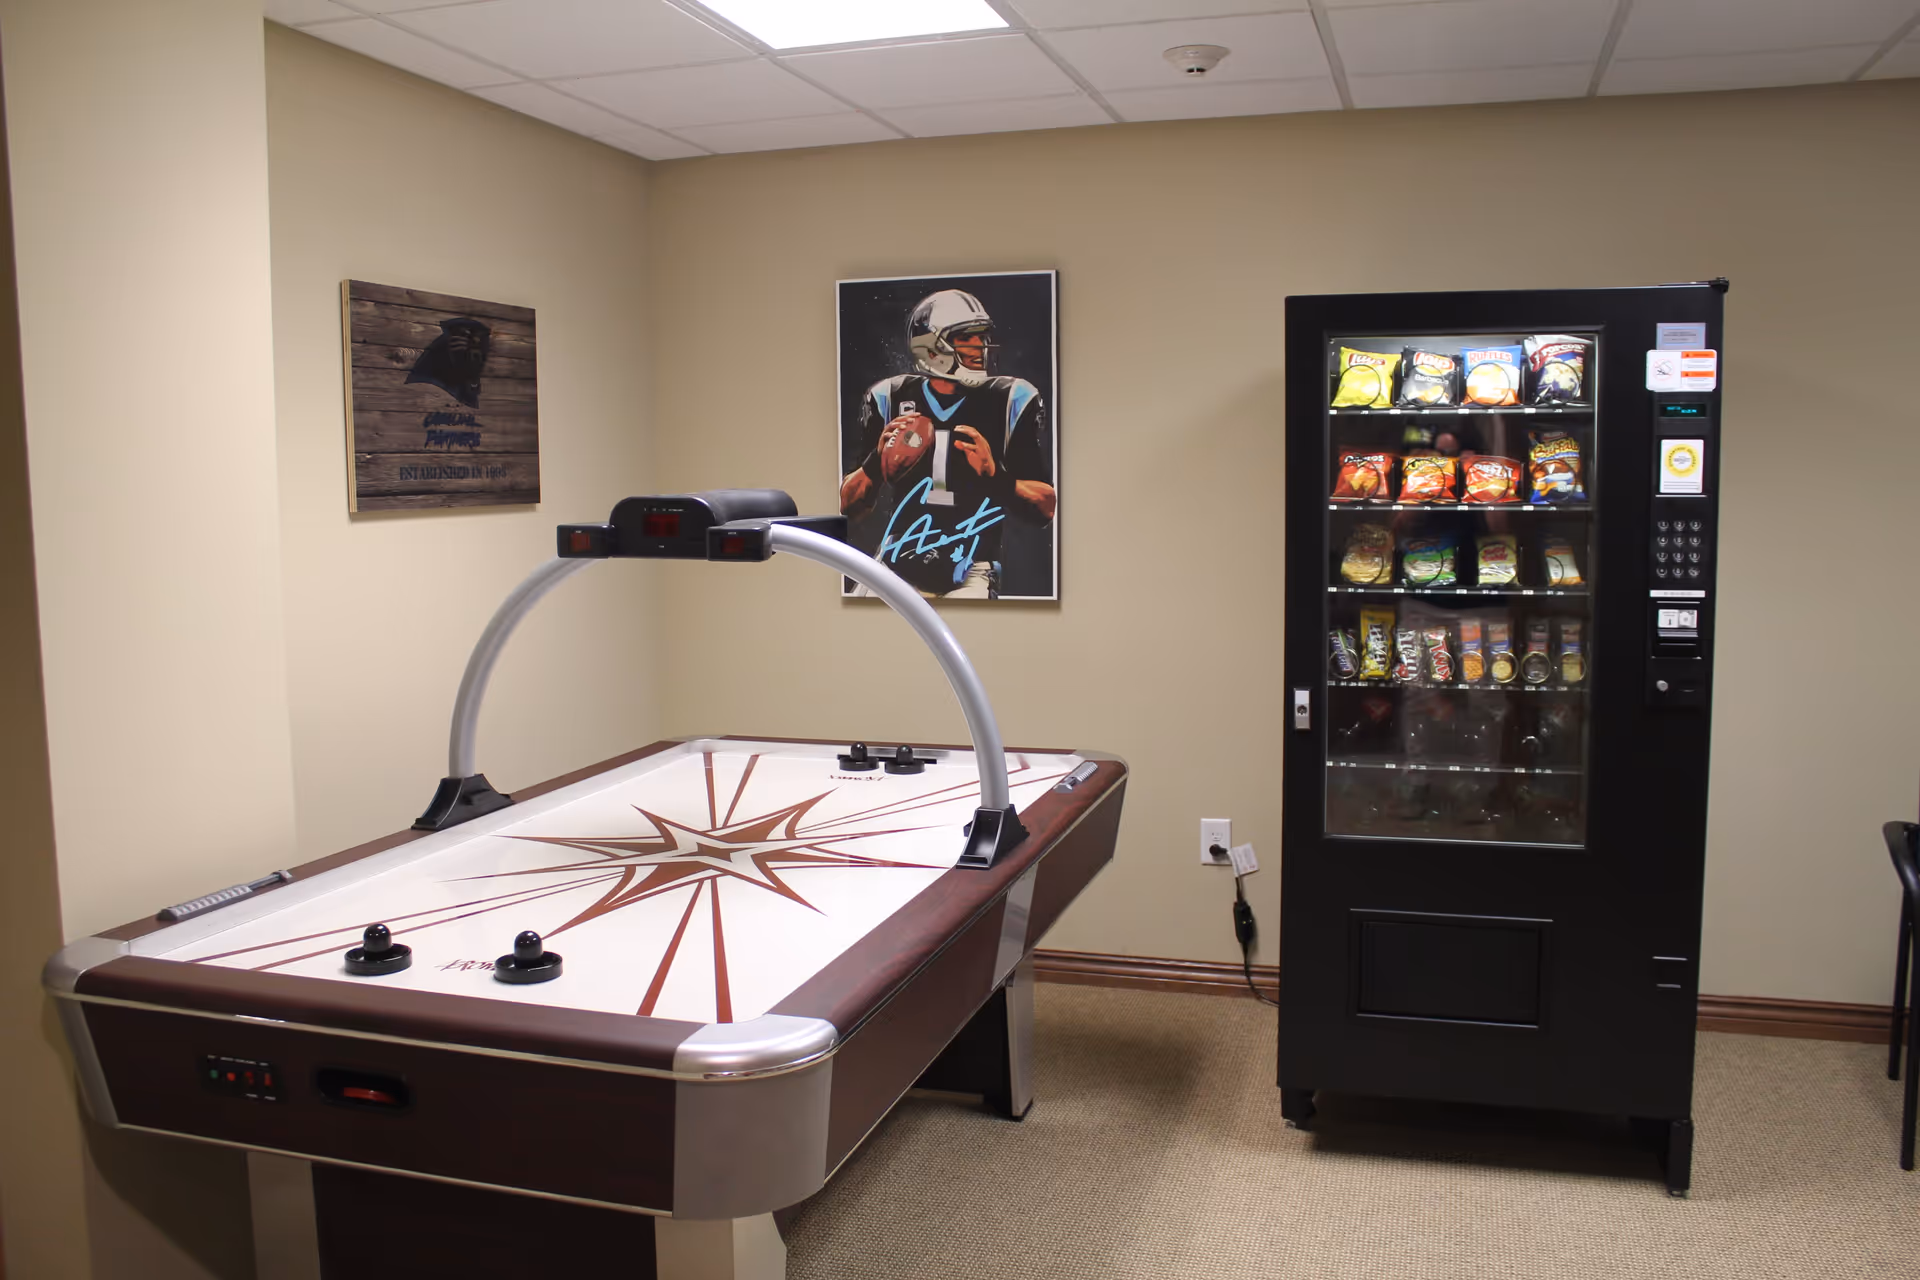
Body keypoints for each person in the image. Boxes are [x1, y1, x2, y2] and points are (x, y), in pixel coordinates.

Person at [839, 289, 1056, 599]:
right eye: (967, 337)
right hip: (899, 559)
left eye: (982, 337)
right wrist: (877, 461)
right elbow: (847, 507)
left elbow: (1046, 507)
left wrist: (997, 478)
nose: (980, 347)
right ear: (932, 347)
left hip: (970, 568)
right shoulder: (890, 398)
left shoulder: (1009, 400)